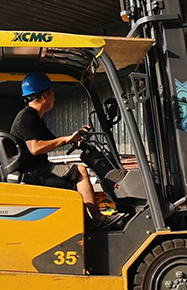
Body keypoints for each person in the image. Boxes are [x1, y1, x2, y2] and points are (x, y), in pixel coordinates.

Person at [11, 72, 123, 230]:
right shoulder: (28, 117)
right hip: (36, 171)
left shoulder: (35, 118)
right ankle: (98, 219)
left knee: (73, 173)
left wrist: (75, 137)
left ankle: (87, 224)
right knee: (80, 171)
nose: (54, 98)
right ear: (44, 97)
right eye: (53, 94)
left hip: (38, 168)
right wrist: (66, 139)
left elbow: (53, 141)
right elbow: (35, 148)